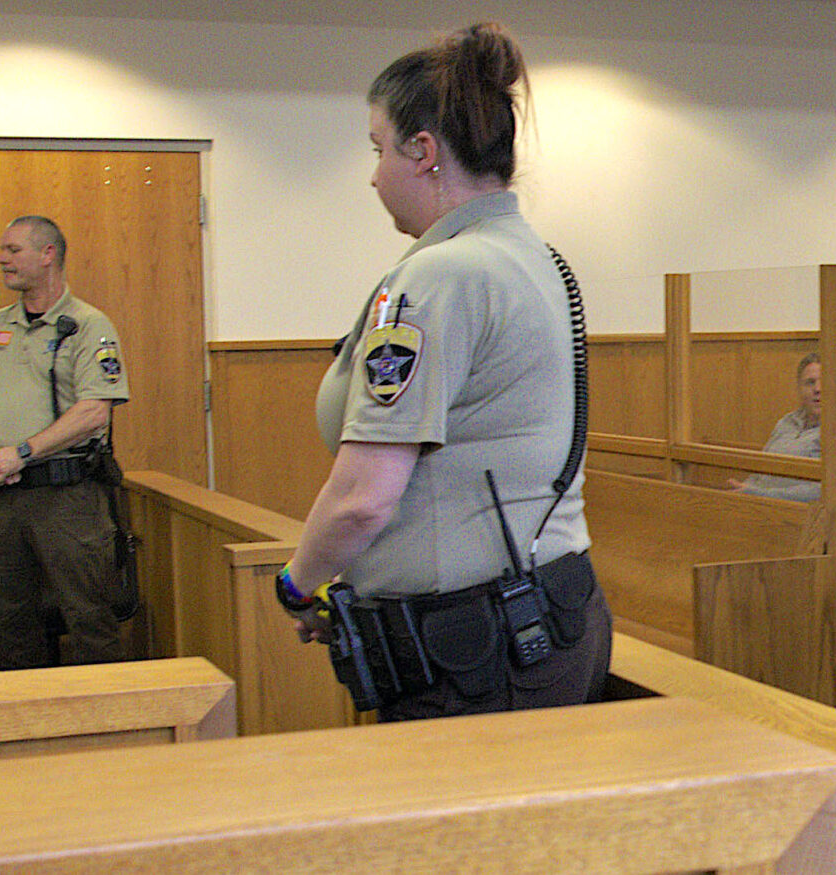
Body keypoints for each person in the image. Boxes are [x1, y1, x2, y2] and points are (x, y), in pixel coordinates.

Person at [278, 23, 609, 720]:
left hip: (476, 657)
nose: (373, 174)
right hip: (542, 620)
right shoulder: (532, 256)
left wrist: (297, 584)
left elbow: (364, 495)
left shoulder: (439, 276)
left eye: (377, 148)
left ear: (424, 151)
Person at [0, 213, 132, 670]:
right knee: (7, 625)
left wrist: (21, 452)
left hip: (67, 498)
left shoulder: (89, 325)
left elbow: (94, 411)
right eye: (2, 250)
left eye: (13, 250)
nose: (2, 259)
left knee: (91, 619)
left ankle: (109, 733)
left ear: (48, 254)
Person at [736, 353, 836, 502]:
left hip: (808, 516)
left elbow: (832, 490)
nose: (818, 389)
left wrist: (761, 495)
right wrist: (744, 489)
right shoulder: (787, 422)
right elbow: (760, 469)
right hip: (759, 505)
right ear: (799, 387)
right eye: (810, 382)